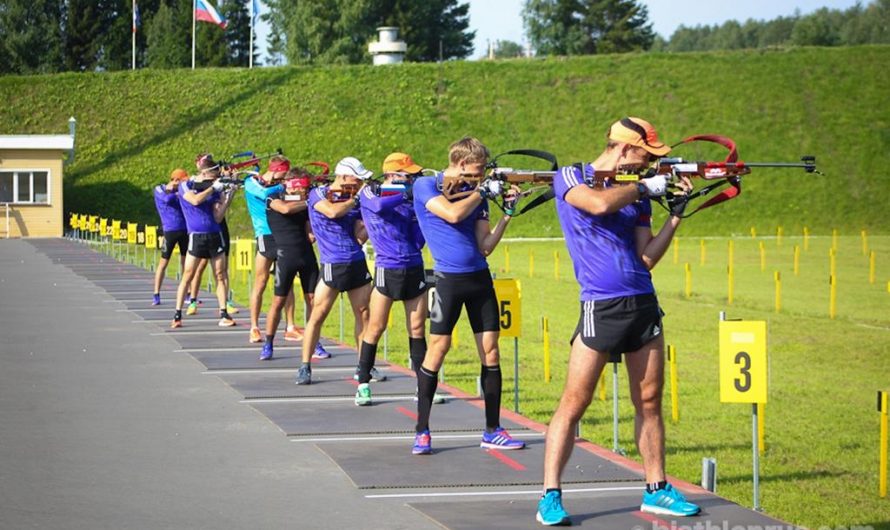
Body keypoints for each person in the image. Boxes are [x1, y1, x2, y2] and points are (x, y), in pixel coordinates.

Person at [536, 117, 700, 526]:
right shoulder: (573, 176)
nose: (649, 163)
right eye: (646, 154)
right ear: (624, 149)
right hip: (600, 305)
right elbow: (596, 204)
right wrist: (644, 187)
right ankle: (550, 496)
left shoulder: (636, 194)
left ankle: (656, 489)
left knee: (649, 402)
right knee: (574, 404)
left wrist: (675, 217)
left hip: (643, 303)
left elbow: (646, 257)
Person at [410, 136, 525, 455]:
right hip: (447, 279)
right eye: (476, 171)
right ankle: (422, 430)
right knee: (439, 349)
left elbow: (485, 245)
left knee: (491, 352)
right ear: (460, 164)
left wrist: (507, 215)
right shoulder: (426, 186)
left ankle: (492, 429)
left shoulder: (478, 195)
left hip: (479, 277)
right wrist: (481, 191)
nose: (480, 177)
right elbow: (450, 214)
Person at [354, 152, 430, 406]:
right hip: (387, 268)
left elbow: (418, 241)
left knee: (417, 330)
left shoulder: (410, 200)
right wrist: (404, 195)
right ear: (392, 176)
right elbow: (376, 207)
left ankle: (423, 386)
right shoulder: (370, 193)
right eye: (408, 176)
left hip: (414, 267)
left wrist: (420, 214)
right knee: (375, 328)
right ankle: (363, 383)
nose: (413, 180)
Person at [295, 157, 373, 385]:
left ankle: (364, 365)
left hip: (356, 261)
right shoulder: (318, 194)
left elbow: (360, 231)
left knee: (364, 314)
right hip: (332, 263)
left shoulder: (355, 199)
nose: (359, 184)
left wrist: (371, 214)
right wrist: (358, 198)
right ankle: (305, 366)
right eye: (357, 179)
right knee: (318, 315)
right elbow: (331, 212)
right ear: (345, 176)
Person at [260, 166, 320, 361]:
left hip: (306, 255)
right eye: (304, 187)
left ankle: (315, 342)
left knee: (314, 301)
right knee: (278, 302)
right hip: (285, 257)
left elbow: (309, 234)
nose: (307, 190)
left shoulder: (305, 202)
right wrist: (311, 201)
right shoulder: (274, 197)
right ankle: (268, 343)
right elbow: (285, 209)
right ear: (294, 186)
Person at [170, 154, 237, 329]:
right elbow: (195, 200)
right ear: (205, 173)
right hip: (196, 236)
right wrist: (213, 188)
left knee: (220, 275)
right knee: (188, 275)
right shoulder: (186, 186)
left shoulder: (215, 189)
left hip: (215, 235)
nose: (215, 178)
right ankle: (177, 314)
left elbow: (217, 216)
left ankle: (224, 313)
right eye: (213, 175)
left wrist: (228, 196)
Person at [244, 156, 300, 344]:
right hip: (265, 234)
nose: (284, 179)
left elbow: (293, 200)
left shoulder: (279, 185)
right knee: (260, 281)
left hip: (283, 232)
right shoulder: (252, 182)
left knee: (287, 281)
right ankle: (254, 327)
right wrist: (284, 186)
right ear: (276, 171)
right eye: (283, 175)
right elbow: (263, 193)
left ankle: (290, 326)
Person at [152, 168, 189, 305]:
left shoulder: (181, 190)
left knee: (186, 264)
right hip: (170, 230)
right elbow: (166, 199)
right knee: (164, 262)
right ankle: (156, 293)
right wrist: (175, 192)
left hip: (184, 229)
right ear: (175, 180)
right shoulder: (159, 189)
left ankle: (187, 294)